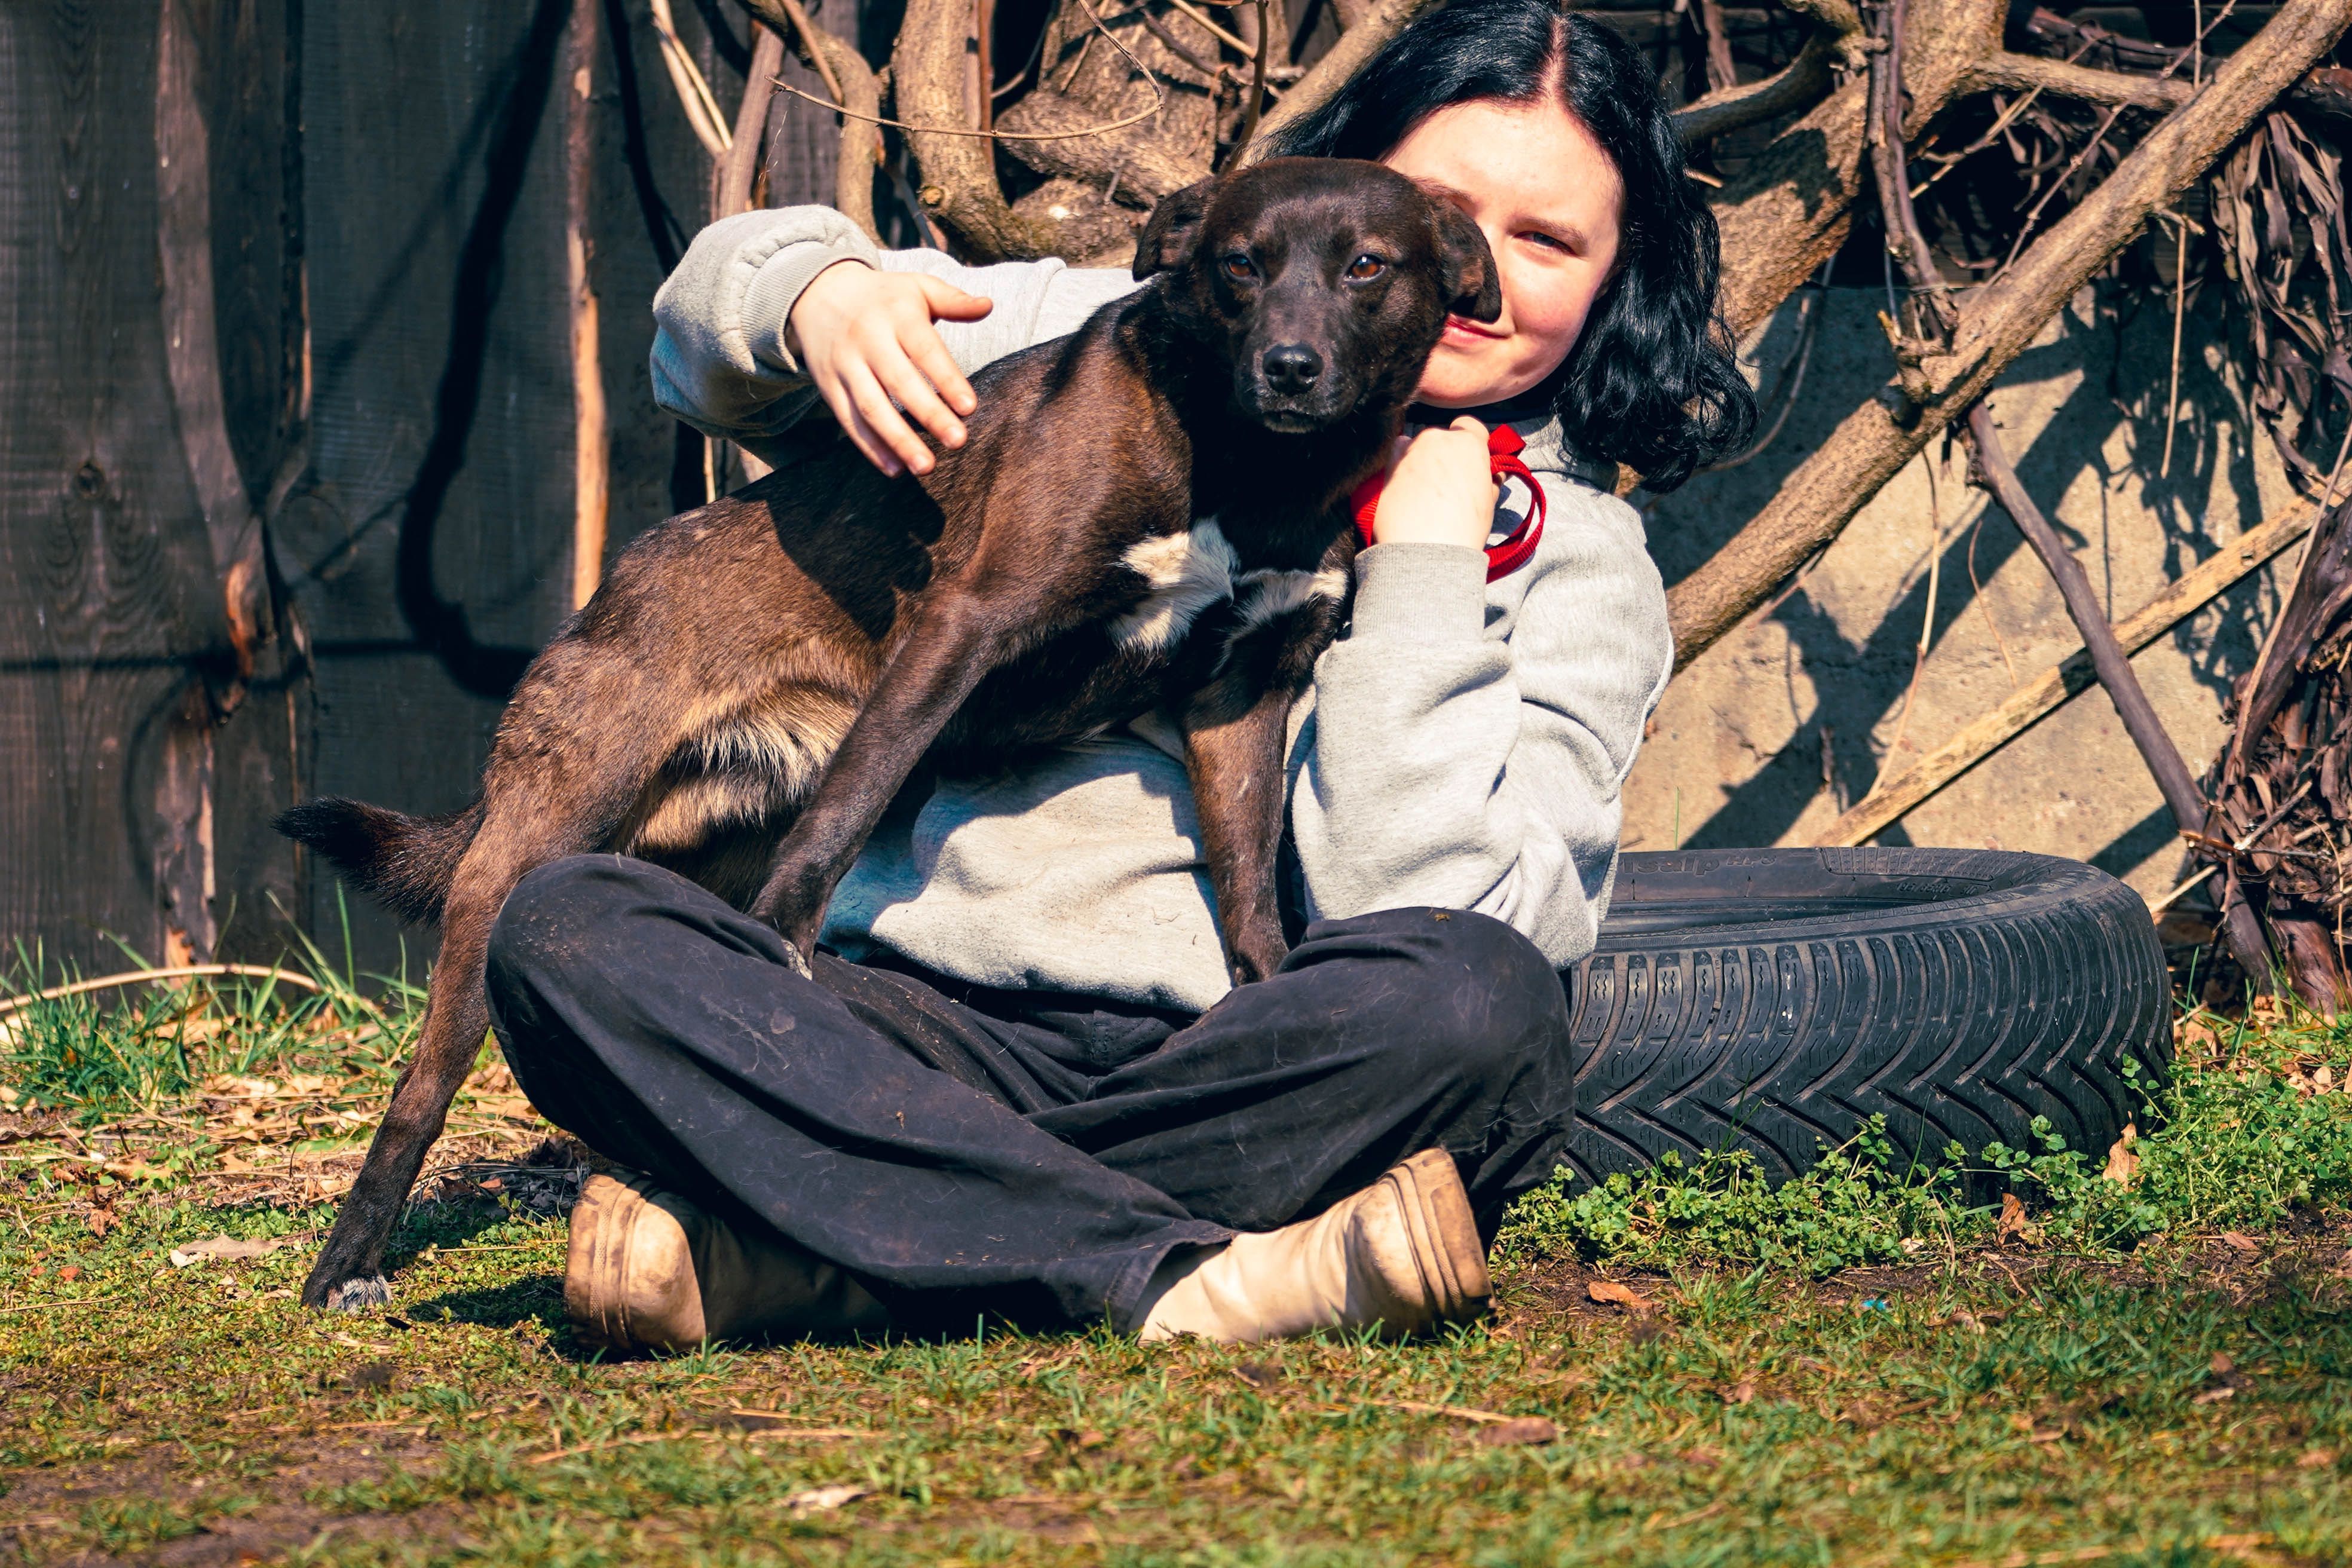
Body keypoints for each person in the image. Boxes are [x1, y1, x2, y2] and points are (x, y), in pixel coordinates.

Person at [486, 0, 1756, 1353]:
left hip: (1244, 1061)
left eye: (1548, 241)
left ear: (1615, 278)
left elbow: (1444, 909)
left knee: (1483, 1004)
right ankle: (1187, 1277)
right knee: (567, 933)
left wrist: (1431, 574)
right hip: (910, 1025)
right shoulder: (1104, 337)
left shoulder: (1580, 561)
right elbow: (700, 344)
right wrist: (815, 298)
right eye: (1434, 212)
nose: (1457, 272)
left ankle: (836, 1246)